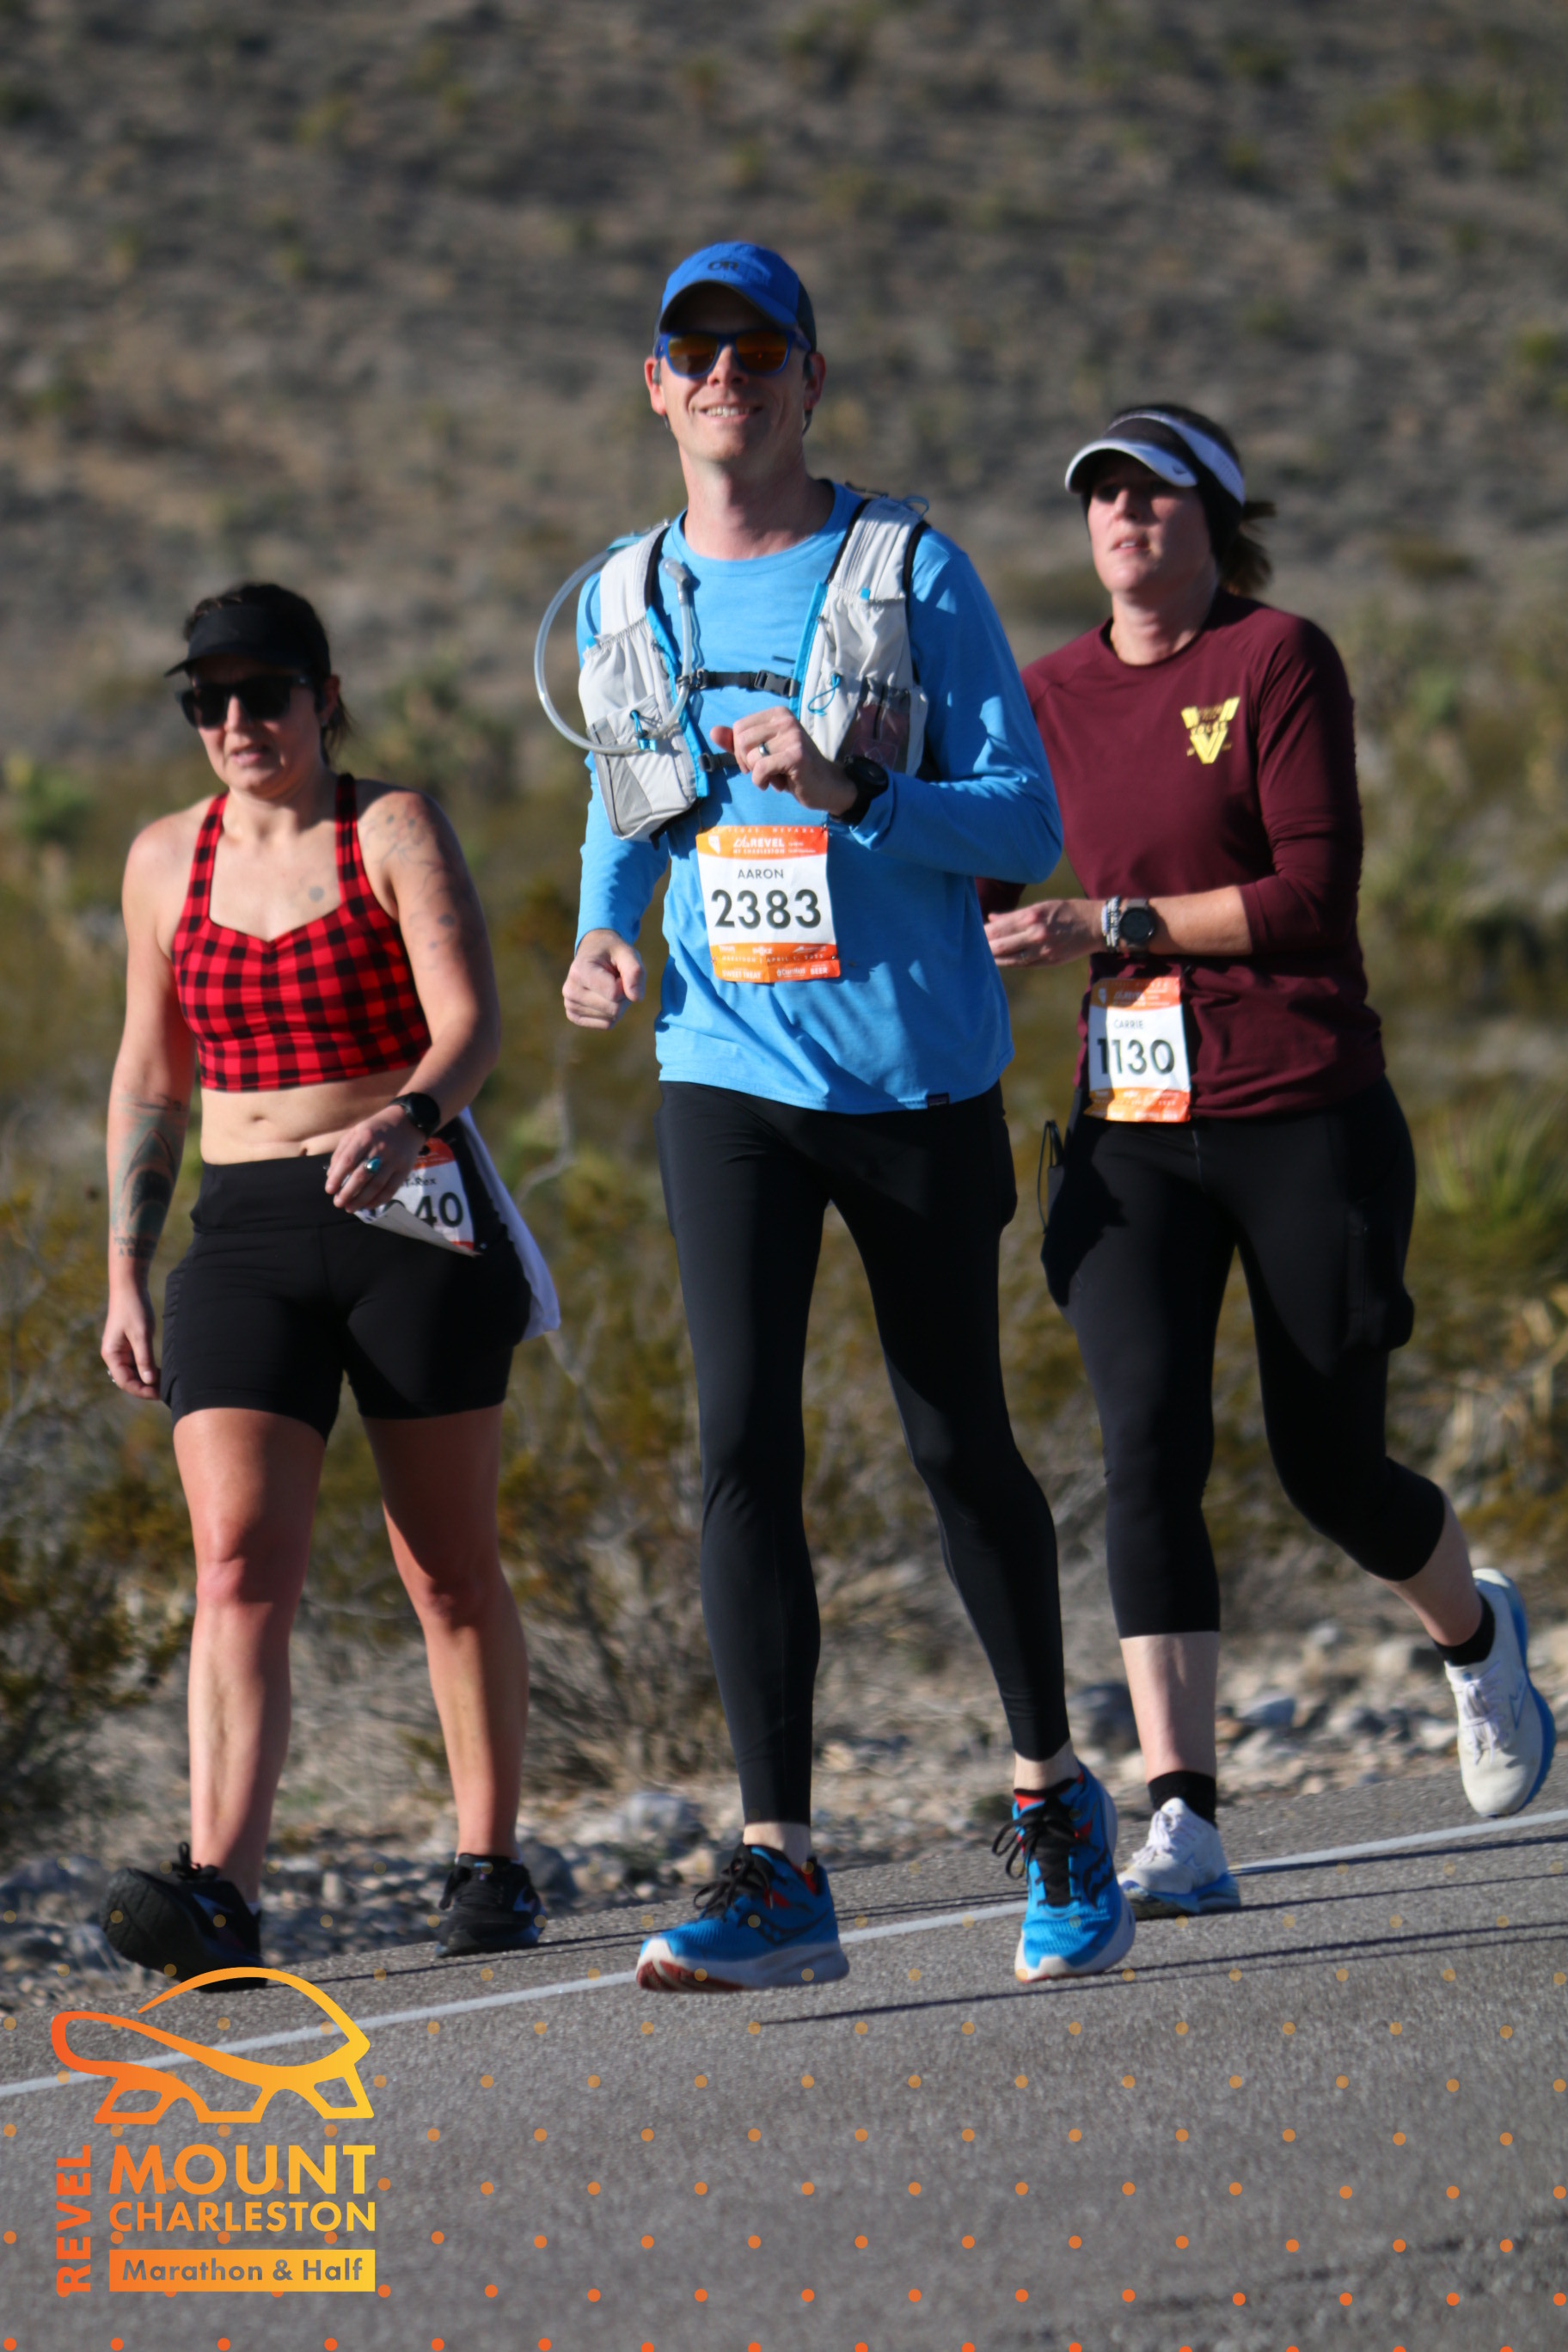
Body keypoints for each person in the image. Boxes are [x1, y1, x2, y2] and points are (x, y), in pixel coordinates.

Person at [557, 240, 1134, 1995]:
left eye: (760, 351)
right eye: (696, 351)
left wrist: (854, 786)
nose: (726, 377)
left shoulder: (912, 570)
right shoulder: (626, 592)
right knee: (741, 1445)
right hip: (723, 1071)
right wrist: (602, 934)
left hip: (910, 1077)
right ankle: (781, 1867)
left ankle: (1054, 1795)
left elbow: (1023, 825)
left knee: (957, 1440)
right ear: (655, 386)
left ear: (810, 381)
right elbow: (624, 801)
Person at [984, 405, 1557, 1919]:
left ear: (1217, 521)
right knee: (1146, 1449)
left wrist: (1106, 923)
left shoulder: (1278, 659)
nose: (1123, 515)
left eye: (1154, 493)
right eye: (1102, 494)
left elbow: (1311, 893)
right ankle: (1184, 1818)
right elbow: (974, 869)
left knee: (1329, 1468)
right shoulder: (1046, 693)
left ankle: (1475, 1638)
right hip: (1132, 1127)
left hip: (1303, 1108)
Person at [100, 580, 556, 1981]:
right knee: (237, 1563)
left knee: (445, 1566)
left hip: (404, 1205)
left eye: (265, 693)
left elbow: (471, 1022)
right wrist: (124, 1266)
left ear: (324, 698)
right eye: (210, 699)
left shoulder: (392, 827)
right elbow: (149, 1079)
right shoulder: (163, 860)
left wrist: (410, 1117)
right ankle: (221, 1893)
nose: (238, 721)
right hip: (241, 1231)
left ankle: (488, 1863)